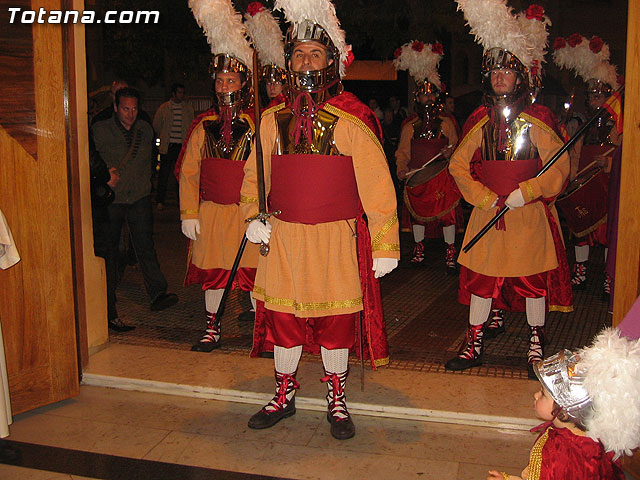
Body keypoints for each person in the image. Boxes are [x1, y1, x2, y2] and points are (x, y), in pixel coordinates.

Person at [241, 0, 399, 440]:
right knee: (283, 319)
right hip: (284, 238)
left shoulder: (354, 116)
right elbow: (253, 178)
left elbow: (377, 184)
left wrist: (385, 243)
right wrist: (252, 216)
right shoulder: (270, 119)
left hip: (335, 239)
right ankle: (283, 393)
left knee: (336, 323)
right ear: (288, 62)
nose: (306, 62)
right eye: (299, 54)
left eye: (315, 53)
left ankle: (337, 397)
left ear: (331, 60)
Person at [447, 1, 572, 378]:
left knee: (533, 282)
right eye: (495, 71)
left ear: (520, 77)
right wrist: (484, 197)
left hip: (527, 214)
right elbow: (457, 165)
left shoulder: (540, 118)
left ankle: (536, 344)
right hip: (488, 212)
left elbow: (560, 166)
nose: (500, 77)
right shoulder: (478, 118)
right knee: (481, 281)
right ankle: (473, 343)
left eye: (508, 71)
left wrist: (529, 191)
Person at [178, 0, 260, 352]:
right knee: (214, 275)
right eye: (221, 80)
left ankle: (262, 331)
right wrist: (188, 212)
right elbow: (189, 171)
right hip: (211, 214)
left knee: (255, 274)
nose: (225, 85)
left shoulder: (256, 125)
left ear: (243, 84)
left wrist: (261, 213)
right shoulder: (203, 126)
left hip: (246, 215)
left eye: (232, 79)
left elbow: (264, 173)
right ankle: (212, 328)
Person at [487, 328, 640, 479]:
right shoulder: (579, 437)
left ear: (565, 411)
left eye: (543, 394)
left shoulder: (562, 453)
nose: (535, 395)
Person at [91, 87, 178, 331]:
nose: (130, 114)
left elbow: (150, 160)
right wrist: (104, 176)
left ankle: (157, 292)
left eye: (134, 109)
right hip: (113, 199)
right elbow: (92, 160)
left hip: (139, 196)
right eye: (125, 109)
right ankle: (107, 303)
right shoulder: (100, 129)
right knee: (111, 252)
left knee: (145, 246)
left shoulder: (145, 129)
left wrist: (147, 184)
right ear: (116, 107)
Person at [552, 34, 622, 300]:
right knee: (580, 228)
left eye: (598, 95)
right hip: (584, 181)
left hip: (606, 184)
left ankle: (609, 277)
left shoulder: (618, 124)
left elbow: (625, 156)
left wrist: (610, 163)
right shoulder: (584, 123)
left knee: (606, 232)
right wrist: (570, 176)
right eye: (591, 95)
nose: (594, 99)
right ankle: (580, 270)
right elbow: (576, 153)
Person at [393, 41, 460, 272]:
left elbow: (458, 148)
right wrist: (401, 169)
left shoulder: (447, 123)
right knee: (417, 217)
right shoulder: (409, 126)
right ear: (418, 99)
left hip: (441, 177)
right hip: (418, 178)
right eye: (424, 96)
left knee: (448, 216)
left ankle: (450, 251)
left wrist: (450, 152)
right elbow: (403, 152)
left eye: (431, 95)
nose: (428, 99)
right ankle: (419, 249)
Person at [153, 83, 195, 210]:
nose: (181, 95)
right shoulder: (164, 108)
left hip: (181, 146)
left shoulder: (187, 108)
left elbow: (192, 124)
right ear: (173, 93)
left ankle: (180, 201)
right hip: (168, 146)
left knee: (181, 175)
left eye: (183, 92)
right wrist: (163, 137)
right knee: (164, 174)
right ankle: (160, 200)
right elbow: (157, 124)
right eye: (179, 92)